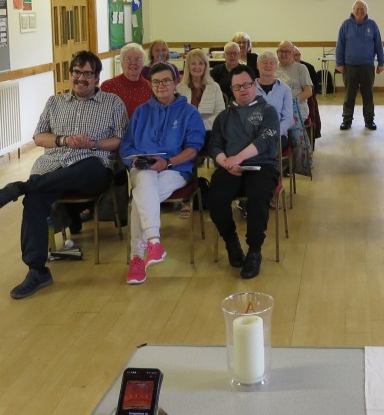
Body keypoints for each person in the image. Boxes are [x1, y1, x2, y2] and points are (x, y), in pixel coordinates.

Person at [0, 51, 127, 299]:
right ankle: (37, 271)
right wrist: (63, 140)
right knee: (34, 200)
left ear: (96, 78)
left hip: (92, 168)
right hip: (53, 167)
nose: (81, 78)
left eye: (87, 73)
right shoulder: (54, 102)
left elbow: (120, 140)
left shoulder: (113, 102)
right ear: (70, 74)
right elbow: (39, 137)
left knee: (86, 167)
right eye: (77, 72)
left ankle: (21, 186)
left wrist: (92, 144)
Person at [120, 63, 205, 285]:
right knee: (145, 177)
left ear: (176, 82)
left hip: (174, 170)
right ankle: (154, 242)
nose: (161, 85)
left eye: (166, 80)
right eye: (156, 82)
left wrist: (167, 162)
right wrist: (134, 161)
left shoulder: (189, 112)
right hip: (142, 168)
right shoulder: (141, 112)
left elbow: (193, 148)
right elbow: (126, 145)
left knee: (140, 197)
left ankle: (137, 258)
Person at [205, 65, 281, 280]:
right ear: (231, 90)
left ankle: (254, 250)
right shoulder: (224, 117)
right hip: (230, 168)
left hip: (261, 166)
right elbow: (215, 145)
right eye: (237, 87)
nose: (242, 90)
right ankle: (231, 242)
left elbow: (266, 139)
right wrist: (226, 163)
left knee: (258, 195)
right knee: (215, 196)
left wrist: (237, 158)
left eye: (246, 84)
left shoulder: (268, 111)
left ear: (255, 84)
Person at [335, 0, 384, 130]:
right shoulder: (346, 25)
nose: (360, 11)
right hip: (349, 67)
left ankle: (369, 120)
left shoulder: (372, 25)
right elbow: (340, 45)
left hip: (367, 66)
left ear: (366, 11)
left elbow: (378, 45)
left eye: (362, 9)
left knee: (368, 95)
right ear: (353, 10)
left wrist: (381, 62)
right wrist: (339, 63)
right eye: (357, 9)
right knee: (349, 95)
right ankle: (346, 120)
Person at [177, 47, 226, 131]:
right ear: (188, 66)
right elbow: (177, 114)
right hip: (186, 131)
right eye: (193, 63)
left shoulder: (215, 87)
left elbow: (221, 114)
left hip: (209, 132)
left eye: (201, 63)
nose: (197, 67)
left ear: (205, 66)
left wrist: (200, 125)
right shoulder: (179, 88)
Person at [101, 42, 152, 117]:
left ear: (143, 64)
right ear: (121, 63)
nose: (133, 63)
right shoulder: (108, 86)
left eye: (138, 59)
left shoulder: (150, 88)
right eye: (128, 59)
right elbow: (101, 115)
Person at [255, 50, 294, 148]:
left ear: (276, 67)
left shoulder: (285, 89)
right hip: (254, 133)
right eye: (264, 62)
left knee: (266, 147)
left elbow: (288, 118)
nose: (268, 65)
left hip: (278, 134)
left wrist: (274, 132)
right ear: (257, 65)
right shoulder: (249, 88)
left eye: (272, 63)